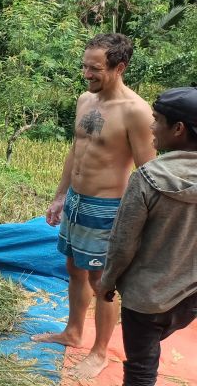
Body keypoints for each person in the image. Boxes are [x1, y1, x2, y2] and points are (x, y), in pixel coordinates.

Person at [32, 33, 156, 379]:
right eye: (85, 66)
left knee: (103, 281)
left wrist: (142, 223)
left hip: (108, 208)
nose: (87, 74)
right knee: (74, 269)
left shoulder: (136, 112)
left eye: (95, 68)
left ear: (120, 67)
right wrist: (60, 195)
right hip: (76, 201)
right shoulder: (85, 99)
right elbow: (77, 149)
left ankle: (100, 350)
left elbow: (148, 173)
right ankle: (73, 331)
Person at [97, 87, 197, 386]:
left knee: (141, 369)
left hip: (146, 300)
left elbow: (123, 243)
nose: (151, 126)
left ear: (178, 129)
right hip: (191, 296)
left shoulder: (147, 177)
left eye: (157, 120)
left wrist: (107, 282)